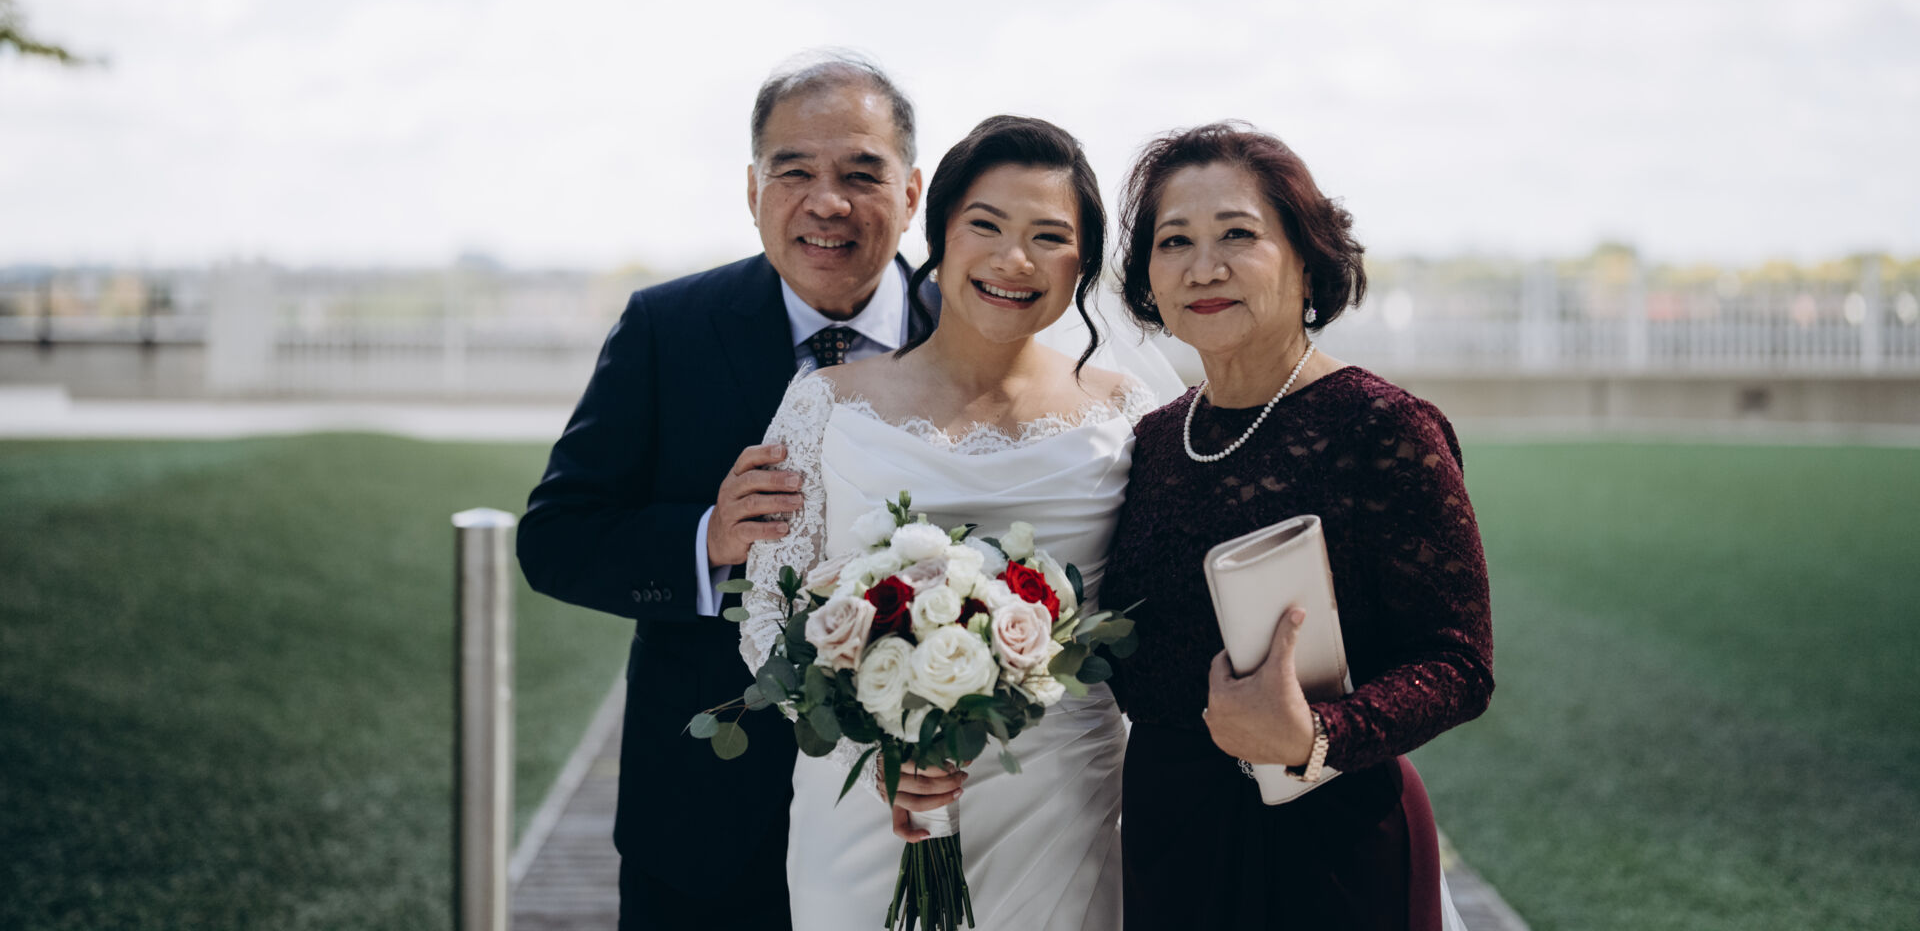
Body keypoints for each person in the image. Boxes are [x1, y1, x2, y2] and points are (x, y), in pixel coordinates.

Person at [738, 115, 1180, 931]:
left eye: (1050, 237)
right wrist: (874, 741)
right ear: (938, 235)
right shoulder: (824, 404)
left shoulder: (1127, 414)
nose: (1015, 260)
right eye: (986, 225)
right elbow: (768, 612)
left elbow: (1165, 607)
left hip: (1063, 799)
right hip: (867, 806)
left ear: (1084, 263)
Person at [517, 52, 928, 931]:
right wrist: (705, 539)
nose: (828, 203)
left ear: (912, 192)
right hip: (704, 818)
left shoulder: (969, 329)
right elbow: (555, 538)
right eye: (794, 172)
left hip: (919, 814)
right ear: (752, 190)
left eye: (862, 174)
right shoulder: (667, 329)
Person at [1102, 122, 1494, 931]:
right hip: (1170, 837)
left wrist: (1316, 734)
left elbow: (1459, 661)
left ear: (1307, 260)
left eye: (1237, 235)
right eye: (1174, 241)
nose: (1203, 267)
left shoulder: (1384, 427)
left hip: (1333, 841)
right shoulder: (1153, 440)